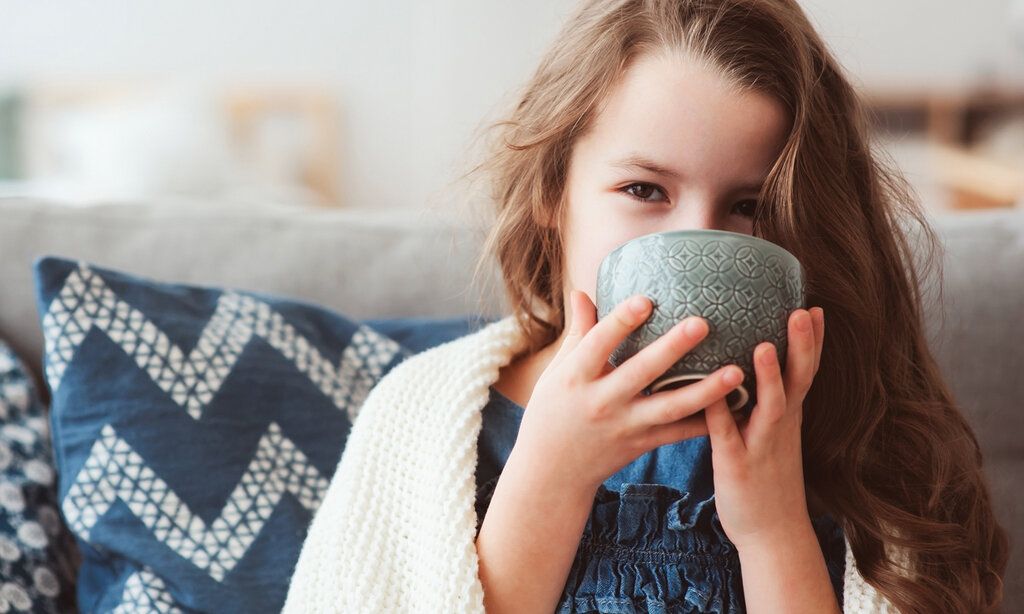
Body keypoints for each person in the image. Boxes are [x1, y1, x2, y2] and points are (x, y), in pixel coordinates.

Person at [283, 0, 1009, 612]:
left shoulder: (862, 431)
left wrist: (772, 528)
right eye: (644, 191)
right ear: (551, 194)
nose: (695, 238)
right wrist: (551, 478)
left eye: (749, 205)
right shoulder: (421, 416)